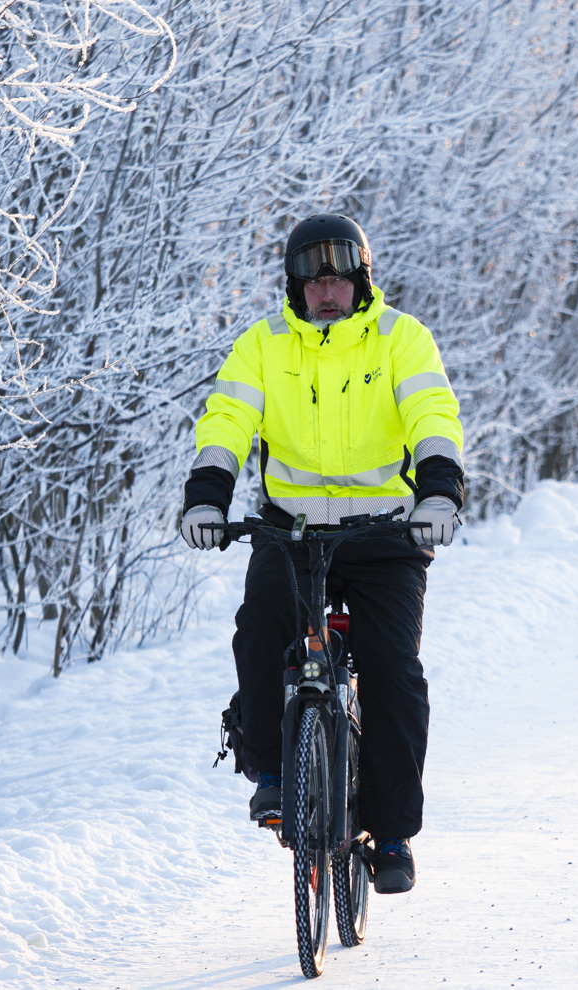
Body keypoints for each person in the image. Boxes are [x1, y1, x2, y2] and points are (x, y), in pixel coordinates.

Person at [177, 214, 465, 895]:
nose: (326, 294)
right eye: (314, 284)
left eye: (338, 281)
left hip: (385, 535)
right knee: (260, 633)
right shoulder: (264, 345)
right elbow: (227, 419)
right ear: (295, 289)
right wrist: (205, 498)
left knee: (394, 671)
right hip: (292, 532)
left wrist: (440, 494)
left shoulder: (401, 338)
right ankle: (275, 775)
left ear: (361, 282)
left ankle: (390, 833)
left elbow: (432, 415)